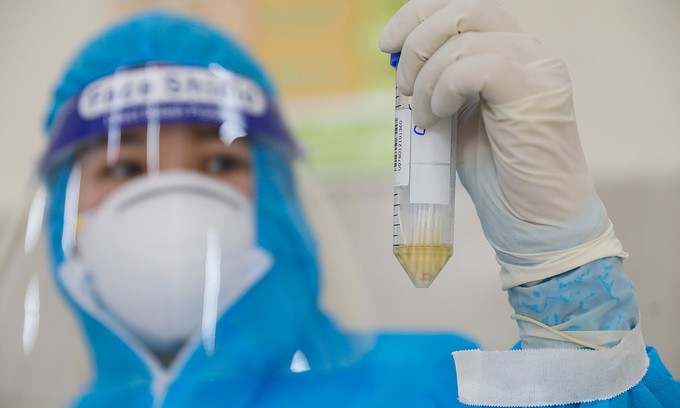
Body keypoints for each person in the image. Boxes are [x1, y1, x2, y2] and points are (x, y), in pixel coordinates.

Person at [0, 0, 677, 407]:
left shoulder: (429, 386)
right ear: (65, 210)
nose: (174, 203)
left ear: (274, 198)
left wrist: (567, 279)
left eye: (218, 162)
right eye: (122, 167)